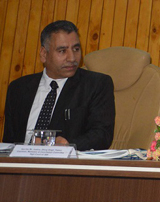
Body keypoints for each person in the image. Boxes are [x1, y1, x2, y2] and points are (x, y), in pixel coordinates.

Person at [3, 20, 115, 151]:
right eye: (62, 51)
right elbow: (9, 142)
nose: (72, 58)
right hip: (19, 165)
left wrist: (68, 145)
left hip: (66, 166)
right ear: (44, 54)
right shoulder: (18, 88)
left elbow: (102, 135)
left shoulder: (96, 84)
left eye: (76, 49)